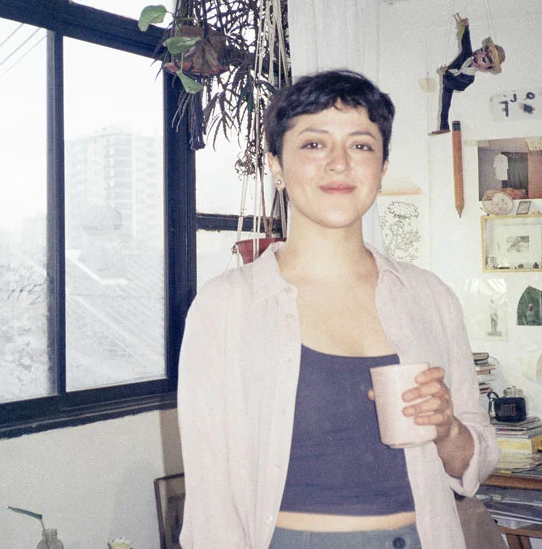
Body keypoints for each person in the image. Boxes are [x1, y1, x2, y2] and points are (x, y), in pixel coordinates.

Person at [177, 69, 501, 549]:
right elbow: (210, 496)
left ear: (382, 168)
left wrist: (447, 428)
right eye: (313, 144)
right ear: (276, 165)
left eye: (361, 145)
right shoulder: (226, 306)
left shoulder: (430, 297)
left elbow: (477, 460)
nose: (338, 163)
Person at [436, 15, 505, 133]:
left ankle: (444, 126)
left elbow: (457, 84)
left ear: (487, 69)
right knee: (444, 108)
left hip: (449, 83)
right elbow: (466, 41)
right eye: (481, 50)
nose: (479, 55)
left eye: (484, 60)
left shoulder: (469, 78)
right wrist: (466, 26)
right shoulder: (468, 55)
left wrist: (446, 73)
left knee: (445, 107)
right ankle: (444, 126)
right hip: (448, 77)